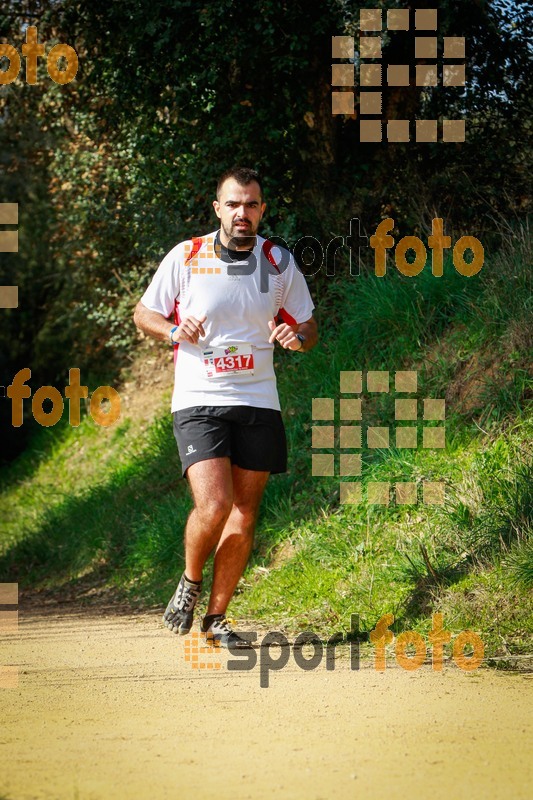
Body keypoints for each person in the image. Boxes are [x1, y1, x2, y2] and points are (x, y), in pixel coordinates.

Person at [133, 166, 317, 648]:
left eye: (251, 204)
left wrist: (295, 337)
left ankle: (216, 620)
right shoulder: (188, 255)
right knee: (213, 505)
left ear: (262, 210)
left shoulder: (278, 261)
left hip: (259, 398)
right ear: (218, 208)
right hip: (199, 397)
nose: (243, 213)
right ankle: (191, 579)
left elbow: (309, 326)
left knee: (244, 512)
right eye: (233, 204)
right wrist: (172, 331)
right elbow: (144, 312)